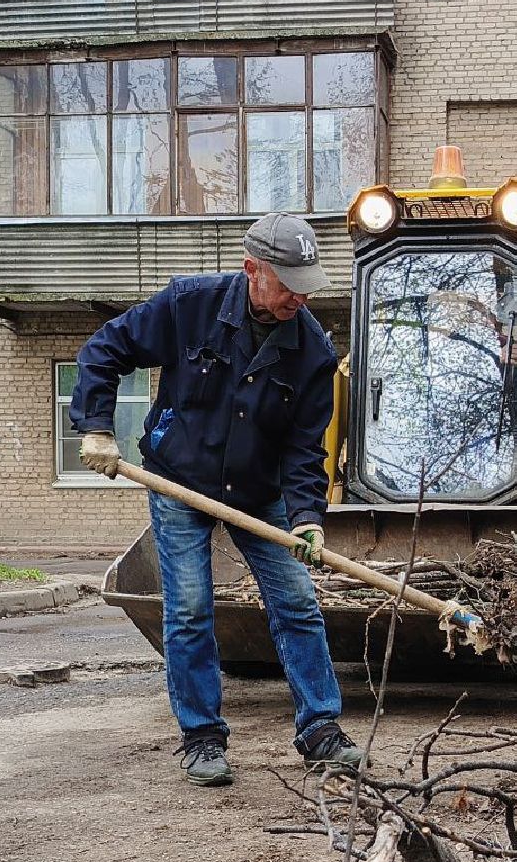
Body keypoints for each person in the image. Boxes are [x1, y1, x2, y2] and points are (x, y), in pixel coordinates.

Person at [70, 213, 363, 788]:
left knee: (299, 601)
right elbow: (105, 349)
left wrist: (307, 519)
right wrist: (96, 427)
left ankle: (320, 729)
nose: (299, 299)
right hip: (180, 480)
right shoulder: (190, 305)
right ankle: (202, 737)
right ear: (253, 270)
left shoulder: (312, 353)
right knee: (188, 609)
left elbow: (306, 451)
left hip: (259, 493)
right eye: (288, 284)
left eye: (306, 286)